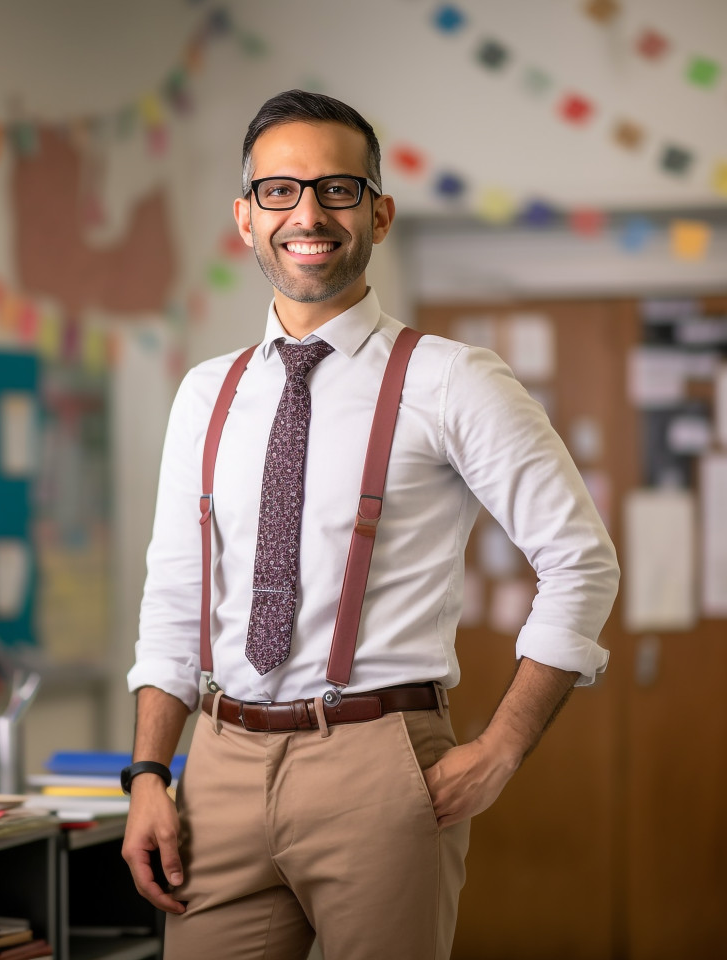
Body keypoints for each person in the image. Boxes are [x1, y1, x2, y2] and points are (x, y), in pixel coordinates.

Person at [122, 89, 619, 960]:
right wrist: (149, 776)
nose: (307, 214)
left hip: (378, 760)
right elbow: (173, 596)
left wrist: (502, 747)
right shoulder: (207, 391)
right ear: (245, 218)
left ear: (379, 213)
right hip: (221, 762)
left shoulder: (456, 379)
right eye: (279, 191)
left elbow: (581, 563)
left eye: (337, 189)